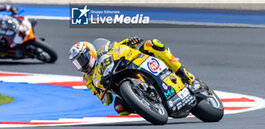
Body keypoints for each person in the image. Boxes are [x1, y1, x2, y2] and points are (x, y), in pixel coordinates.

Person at [69, 37, 199, 115]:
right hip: (117, 84)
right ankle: (147, 105)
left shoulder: (103, 50)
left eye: (82, 59)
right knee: (120, 109)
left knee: (152, 44)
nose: (81, 64)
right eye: (77, 63)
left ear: (90, 52)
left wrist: (130, 41)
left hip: (128, 64)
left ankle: (186, 76)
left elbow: (118, 46)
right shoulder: (88, 79)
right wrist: (101, 93)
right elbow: (106, 100)